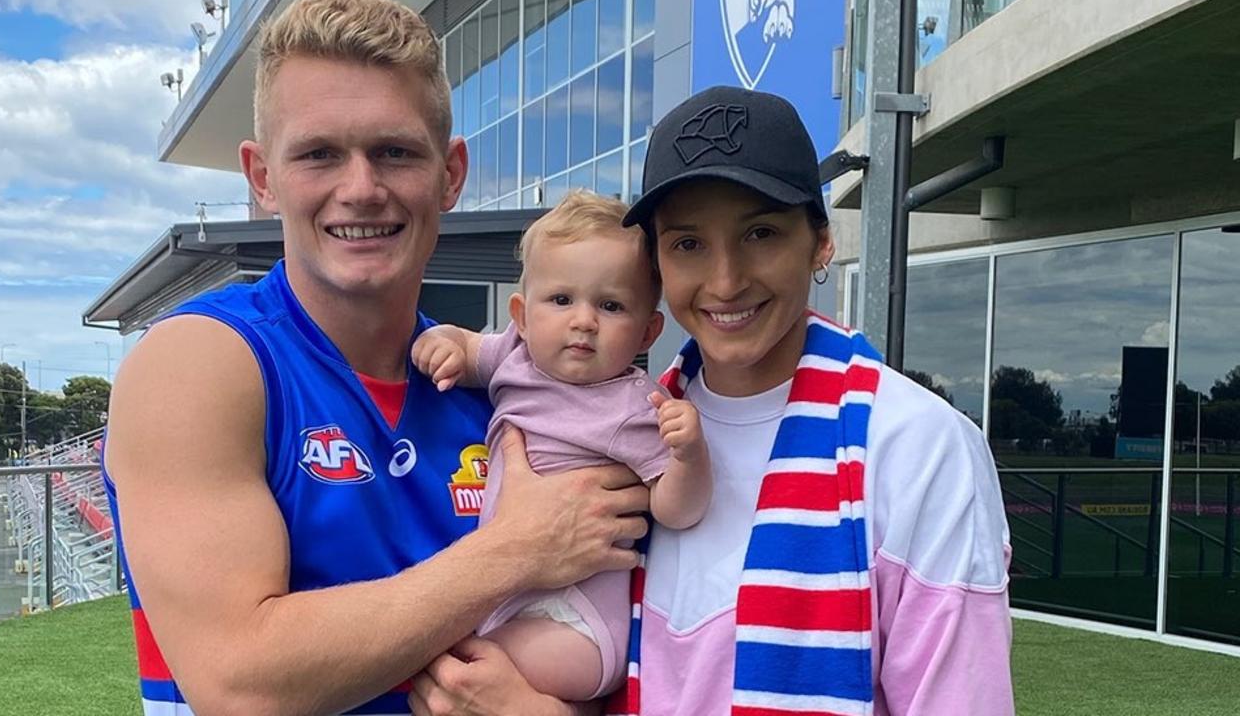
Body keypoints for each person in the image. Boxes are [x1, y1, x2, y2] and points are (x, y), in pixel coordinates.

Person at [101, 0, 648, 715]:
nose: (361, 188)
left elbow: (617, 648)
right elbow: (239, 681)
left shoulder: (503, 389)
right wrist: (515, 549)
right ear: (261, 177)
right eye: (319, 153)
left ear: (451, 174)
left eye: (394, 151)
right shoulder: (202, 362)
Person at [412, 87, 1015, 715]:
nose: (726, 281)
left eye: (760, 232)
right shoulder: (632, 421)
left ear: (821, 242)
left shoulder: (920, 445)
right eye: (689, 244)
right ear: (658, 266)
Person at [411, 190, 712, 703]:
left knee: (442, 657)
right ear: (522, 316)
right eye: (561, 299)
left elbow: (678, 509)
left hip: (574, 623)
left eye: (611, 305)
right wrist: (442, 343)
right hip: (516, 595)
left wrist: (689, 456)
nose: (584, 320)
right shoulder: (515, 354)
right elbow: (468, 348)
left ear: (647, 331)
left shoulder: (635, 406)